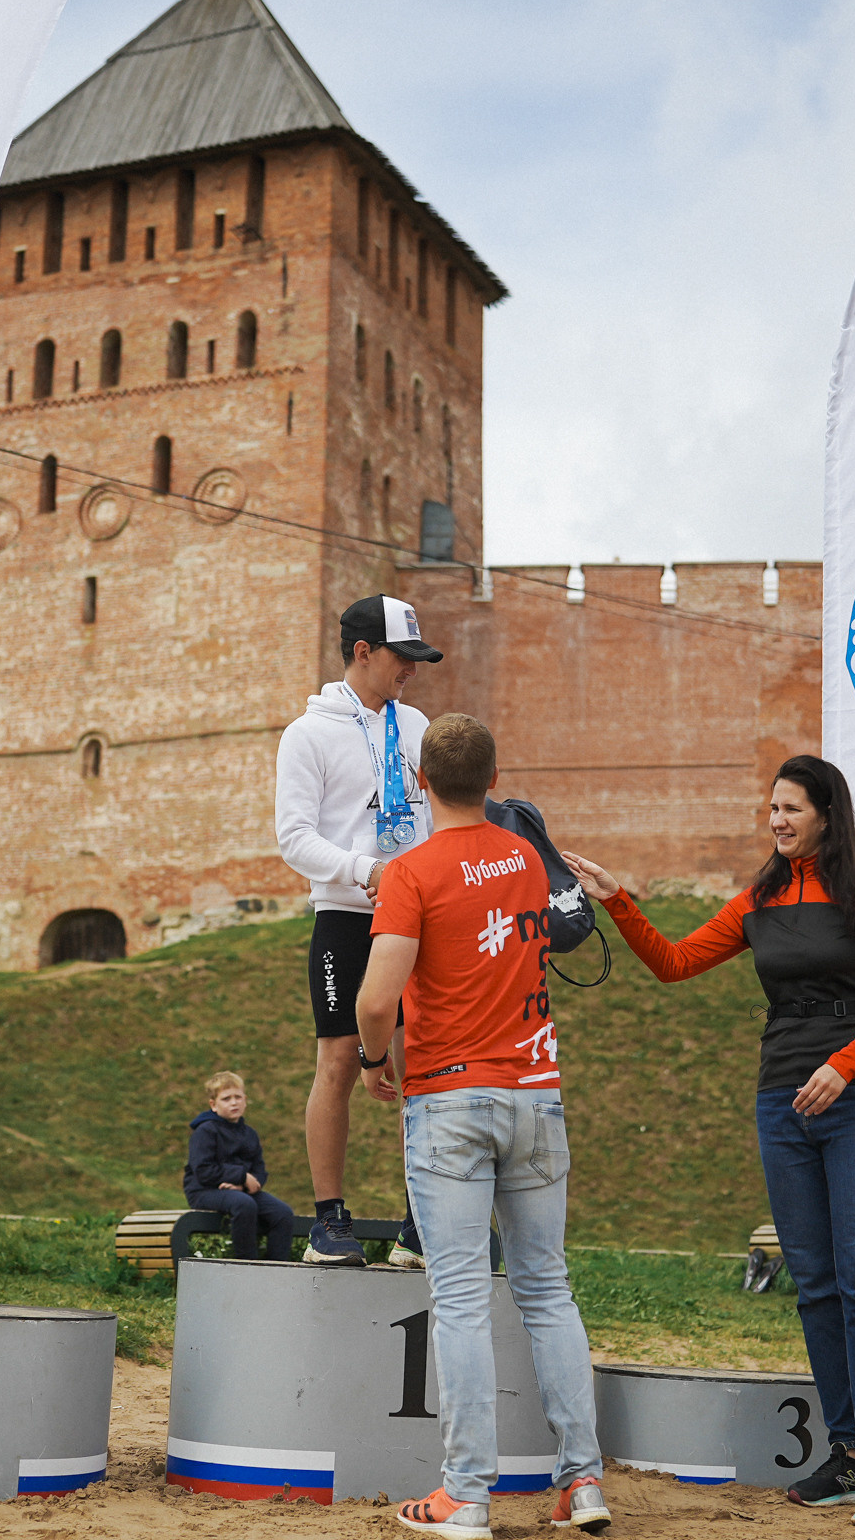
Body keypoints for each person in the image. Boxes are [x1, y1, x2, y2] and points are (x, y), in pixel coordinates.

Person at [565, 754, 855, 1531]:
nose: (778, 821)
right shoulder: (760, 899)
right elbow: (676, 962)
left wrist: (843, 1064)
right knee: (817, 1286)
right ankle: (848, 1451)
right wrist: (616, 899)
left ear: (826, 812)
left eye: (791, 808)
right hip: (781, 1104)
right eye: (771, 810)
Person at [354, 714, 608, 1539]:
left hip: (448, 1097)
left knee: (459, 1300)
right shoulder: (528, 859)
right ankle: (584, 1484)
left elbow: (374, 999)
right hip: (536, 1092)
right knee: (548, 1291)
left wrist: (371, 1057)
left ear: (420, 784)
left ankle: (465, 1495)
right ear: (496, 784)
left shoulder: (410, 872)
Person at [274, 595, 440, 1267]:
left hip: (417, 917)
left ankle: (419, 1225)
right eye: (403, 658)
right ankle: (328, 1221)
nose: (412, 672)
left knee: (422, 1065)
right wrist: (365, 871)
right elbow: (294, 838)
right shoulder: (306, 734)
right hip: (348, 913)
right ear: (363, 652)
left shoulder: (420, 725)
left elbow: (434, 819)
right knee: (341, 1062)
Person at [181, 1071, 296, 1261]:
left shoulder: (249, 1134)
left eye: (238, 1097)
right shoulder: (205, 1131)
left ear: (245, 1100)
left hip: (240, 1190)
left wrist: (242, 1185)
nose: (234, 1102)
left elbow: (259, 1169)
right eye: (226, 1099)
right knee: (243, 1204)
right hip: (203, 1190)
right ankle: (246, 1264)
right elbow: (203, 1170)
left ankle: (277, 1266)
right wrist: (241, 1177)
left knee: (282, 1213)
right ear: (213, 1105)